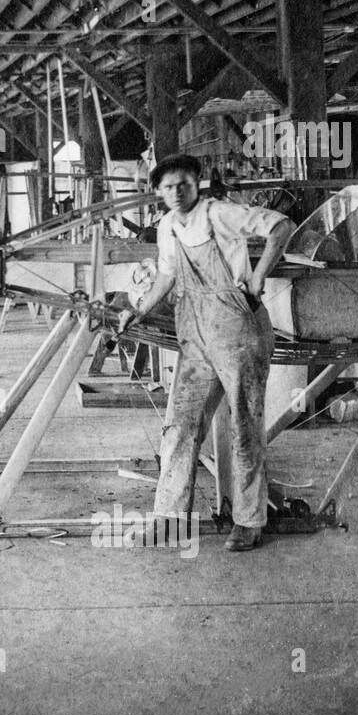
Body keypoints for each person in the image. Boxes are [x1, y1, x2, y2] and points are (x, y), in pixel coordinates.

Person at [117, 154, 295, 552]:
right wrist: (139, 310)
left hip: (238, 331)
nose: (176, 193)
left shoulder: (219, 213)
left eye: (183, 184)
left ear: (196, 183)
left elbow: (281, 226)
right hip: (196, 335)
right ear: (158, 192)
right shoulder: (166, 227)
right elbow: (167, 274)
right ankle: (170, 518)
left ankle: (249, 521)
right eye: (167, 187)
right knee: (180, 424)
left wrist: (258, 275)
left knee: (245, 425)